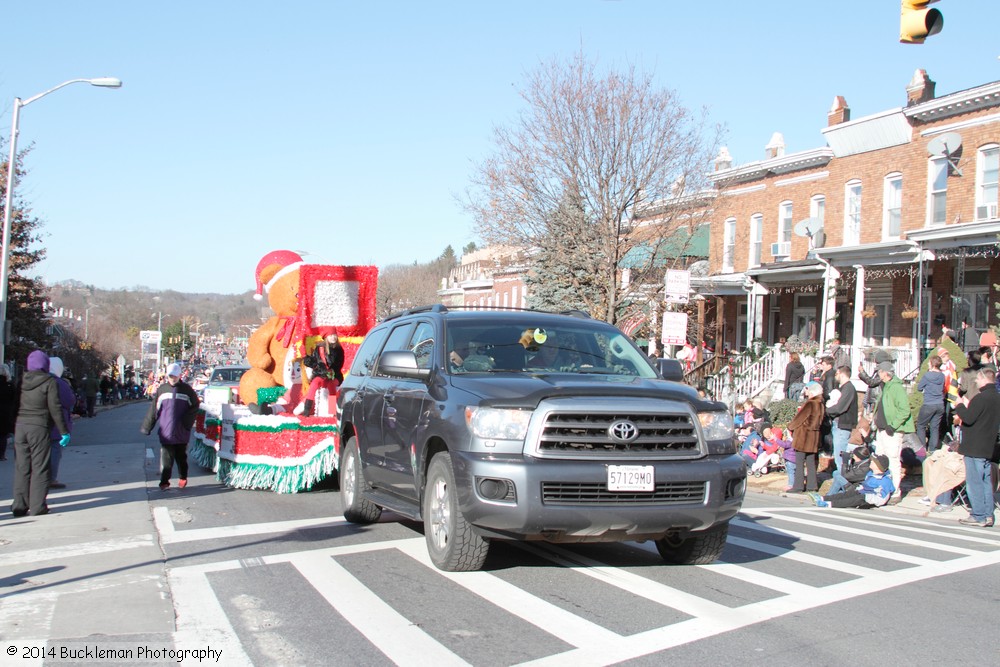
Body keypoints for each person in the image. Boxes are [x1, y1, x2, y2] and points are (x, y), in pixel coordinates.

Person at [10, 351, 71, 517]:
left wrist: (13, 426)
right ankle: (37, 506)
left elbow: (15, 405)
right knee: (40, 466)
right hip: (39, 427)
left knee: (22, 467)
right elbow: (55, 408)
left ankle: (19, 505)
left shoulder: (22, 381)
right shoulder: (49, 381)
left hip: (21, 427)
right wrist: (64, 431)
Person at [951, 368, 1000, 527]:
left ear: (984, 379)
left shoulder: (980, 398)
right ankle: (988, 515)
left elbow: (969, 418)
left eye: (978, 380)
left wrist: (959, 405)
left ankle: (978, 514)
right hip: (987, 445)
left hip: (974, 446)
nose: (976, 383)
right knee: (986, 481)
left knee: (974, 482)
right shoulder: (997, 398)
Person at [140, 362, 200, 491]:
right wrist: (147, 426)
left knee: (181, 457)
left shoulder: (187, 390)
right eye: (170, 376)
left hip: (181, 431)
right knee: (166, 459)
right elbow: (154, 410)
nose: (172, 378)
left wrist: (187, 422)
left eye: (174, 376)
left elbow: (195, 407)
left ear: (179, 376)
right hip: (166, 431)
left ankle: (183, 477)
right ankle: (164, 481)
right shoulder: (162, 389)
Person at [872, 362, 914, 503]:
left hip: (892, 431)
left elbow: (904, 410)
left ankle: (895, 491)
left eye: (879, 372)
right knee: (880, 460)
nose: (878, 374)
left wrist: (893, 426)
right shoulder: (885, 386)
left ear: (886, 373)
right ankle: (881, 488)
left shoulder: (896, 387)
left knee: (892, 460)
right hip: (882, 429)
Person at [812, 454, 895, 509]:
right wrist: (859, 489)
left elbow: (882, 498)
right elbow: (865, 485)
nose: (871, 462)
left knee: (855, 499)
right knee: (849, 494)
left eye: (873, 461)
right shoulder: (870, 473)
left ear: (878, 466)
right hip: (862, 492)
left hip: (868, 498)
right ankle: (823, 498)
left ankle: (829, 504)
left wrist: (868, 498)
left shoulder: (885, 481)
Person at [296, 332, 345, 416]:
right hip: (321, 374)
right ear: (326, 337)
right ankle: (307, 410)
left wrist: (329, 372)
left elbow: (337, 365)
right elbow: (314, 362)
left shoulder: (338, 349)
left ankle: (332, 411)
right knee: (314, 384)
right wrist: (306, 358)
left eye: (334, 335)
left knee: (331, 385)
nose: (333, 337)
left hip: (334, 376)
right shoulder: (319, 348)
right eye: (330, 335)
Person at [788, 381, 825, 493]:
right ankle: (812, 486)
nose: (806, 393)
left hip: (803, 436)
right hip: (814, 437)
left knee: (799, 462)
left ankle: (798, 486)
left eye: (807, 390)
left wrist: (790, 426)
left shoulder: (810, 404)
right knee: (810, 462)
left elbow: (799, 418)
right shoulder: (821, 404)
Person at [47, 357, 75, 490]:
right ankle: (51, 478)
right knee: (55, 449)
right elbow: (69, 401)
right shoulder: (59, 383)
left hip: (35, 423)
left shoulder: (33, 380)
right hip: (56, 423)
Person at [825, 365, 858, 474]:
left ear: (842, 374)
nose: (835, 376)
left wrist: (826, 410)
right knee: (838, 455)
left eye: (837, 374)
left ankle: (843, 483)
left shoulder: (848, 388)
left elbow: (840, 407)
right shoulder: (842, 388)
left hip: (843, 425)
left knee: (840, 458)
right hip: (838, 425)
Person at [919, 437, 965, 511]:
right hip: (956, 455)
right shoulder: (958, 429)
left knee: (946, 467)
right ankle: (932, 494)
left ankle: (944, 501)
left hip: (963, 462)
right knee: (929, 462)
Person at [915, 355, 946, 453]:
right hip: (940, 404)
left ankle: (922, 449)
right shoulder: (942, 376)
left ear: (932, 364)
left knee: (921, 426)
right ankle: (933, 450)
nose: (928, 364)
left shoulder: (927, 375)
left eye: (929, 362)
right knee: (935, 427)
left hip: (929, 404)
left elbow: (919, 388)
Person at [0, 365, 15, 461]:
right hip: (5, 413)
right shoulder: (10, 385)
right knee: (3, 435)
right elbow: (14, 399)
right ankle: (1, 454)